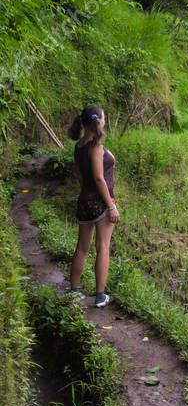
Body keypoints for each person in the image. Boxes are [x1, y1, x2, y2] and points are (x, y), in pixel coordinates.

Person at [67, 105, 120, 308]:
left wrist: (87, 193)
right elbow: (99, 178)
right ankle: (100, 296)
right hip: (101, 202)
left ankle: (74, 291)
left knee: (82, 247)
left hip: (84, 200)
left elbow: (81, 176)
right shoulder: (95, 147)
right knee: (103, 247)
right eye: (104, 118)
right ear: (98, 121)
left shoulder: (79, 146)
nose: (105, 122)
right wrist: (111, 206)